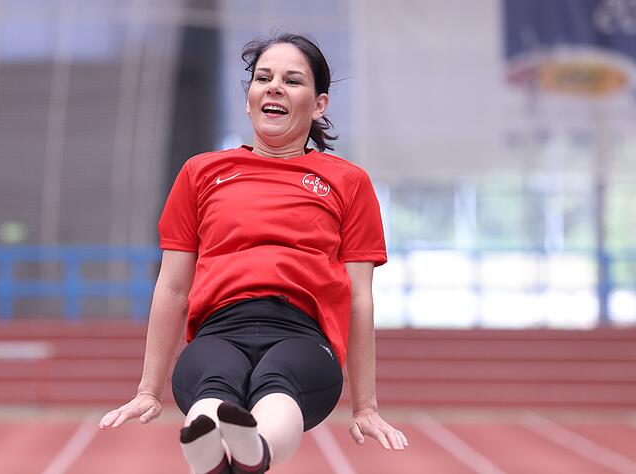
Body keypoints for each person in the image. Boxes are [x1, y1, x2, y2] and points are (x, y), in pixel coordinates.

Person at [99, 32, 408, 473]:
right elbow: (171, 287)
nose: (275, 86)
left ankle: (252, 449)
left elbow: (359, 297)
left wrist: (366, 406)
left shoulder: (347, 182)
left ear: (319, 104)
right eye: (263, 77)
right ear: (249, 100)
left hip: (303, 335)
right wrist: (148, 389)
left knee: (279, 383)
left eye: (292, 80)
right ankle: (214, 450)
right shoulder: (201, 173)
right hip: (218, 329)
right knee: (213, 382)